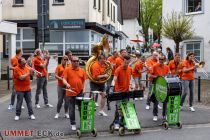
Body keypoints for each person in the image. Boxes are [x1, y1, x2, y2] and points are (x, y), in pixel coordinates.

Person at [63, 56, 87, 131]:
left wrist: (84, 89)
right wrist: (67, 84)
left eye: (77, 61)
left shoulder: (82, 70)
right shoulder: (67, 69)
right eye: (74, 61)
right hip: (70, 92)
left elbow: (84, 81)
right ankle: (73, 123)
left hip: (80, 92)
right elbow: (64, 79)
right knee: (71, 109)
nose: (76, 62)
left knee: (81, 108)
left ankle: (83, 123)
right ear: (71, 61)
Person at [111, 55, 133, 129]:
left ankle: (124, 122)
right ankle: (116, 122)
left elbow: (130, 78)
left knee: (125, 108)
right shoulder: (118, 69)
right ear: (123, 61)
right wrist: (112, 86)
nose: (127, 64)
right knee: (118, 108)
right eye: (126, 63)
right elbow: (114, 79)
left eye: (128, 63)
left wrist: (131, 85)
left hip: (126, 91)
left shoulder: (130, 69)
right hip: (119, 91)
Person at [149, 55, 170, 121]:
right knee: (156, 100)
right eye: (160, 59)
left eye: (162, 59)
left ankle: (164, 115)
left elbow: (168, 74)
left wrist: (167, 75)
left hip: (164, 85)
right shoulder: (155, 66)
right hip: (157, 84)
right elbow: (150, 75)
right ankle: (155, 115)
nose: (161, 60)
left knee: (165, 100)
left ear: (164, 60)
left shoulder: (166, 67)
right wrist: (155, 76)